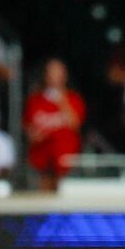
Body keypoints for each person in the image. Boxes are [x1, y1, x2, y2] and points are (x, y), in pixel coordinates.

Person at [22, 58, 86, 193]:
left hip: (66, 162)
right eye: (52, 72)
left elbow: (75, 124)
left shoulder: (73, 98)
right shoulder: (35, 100)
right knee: (41, 199)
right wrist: (36, 135)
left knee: (66, 198)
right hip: (41, 160)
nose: (55, 76)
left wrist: (61, 101)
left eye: (58, 72)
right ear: (45, 75)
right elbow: (28, 130)